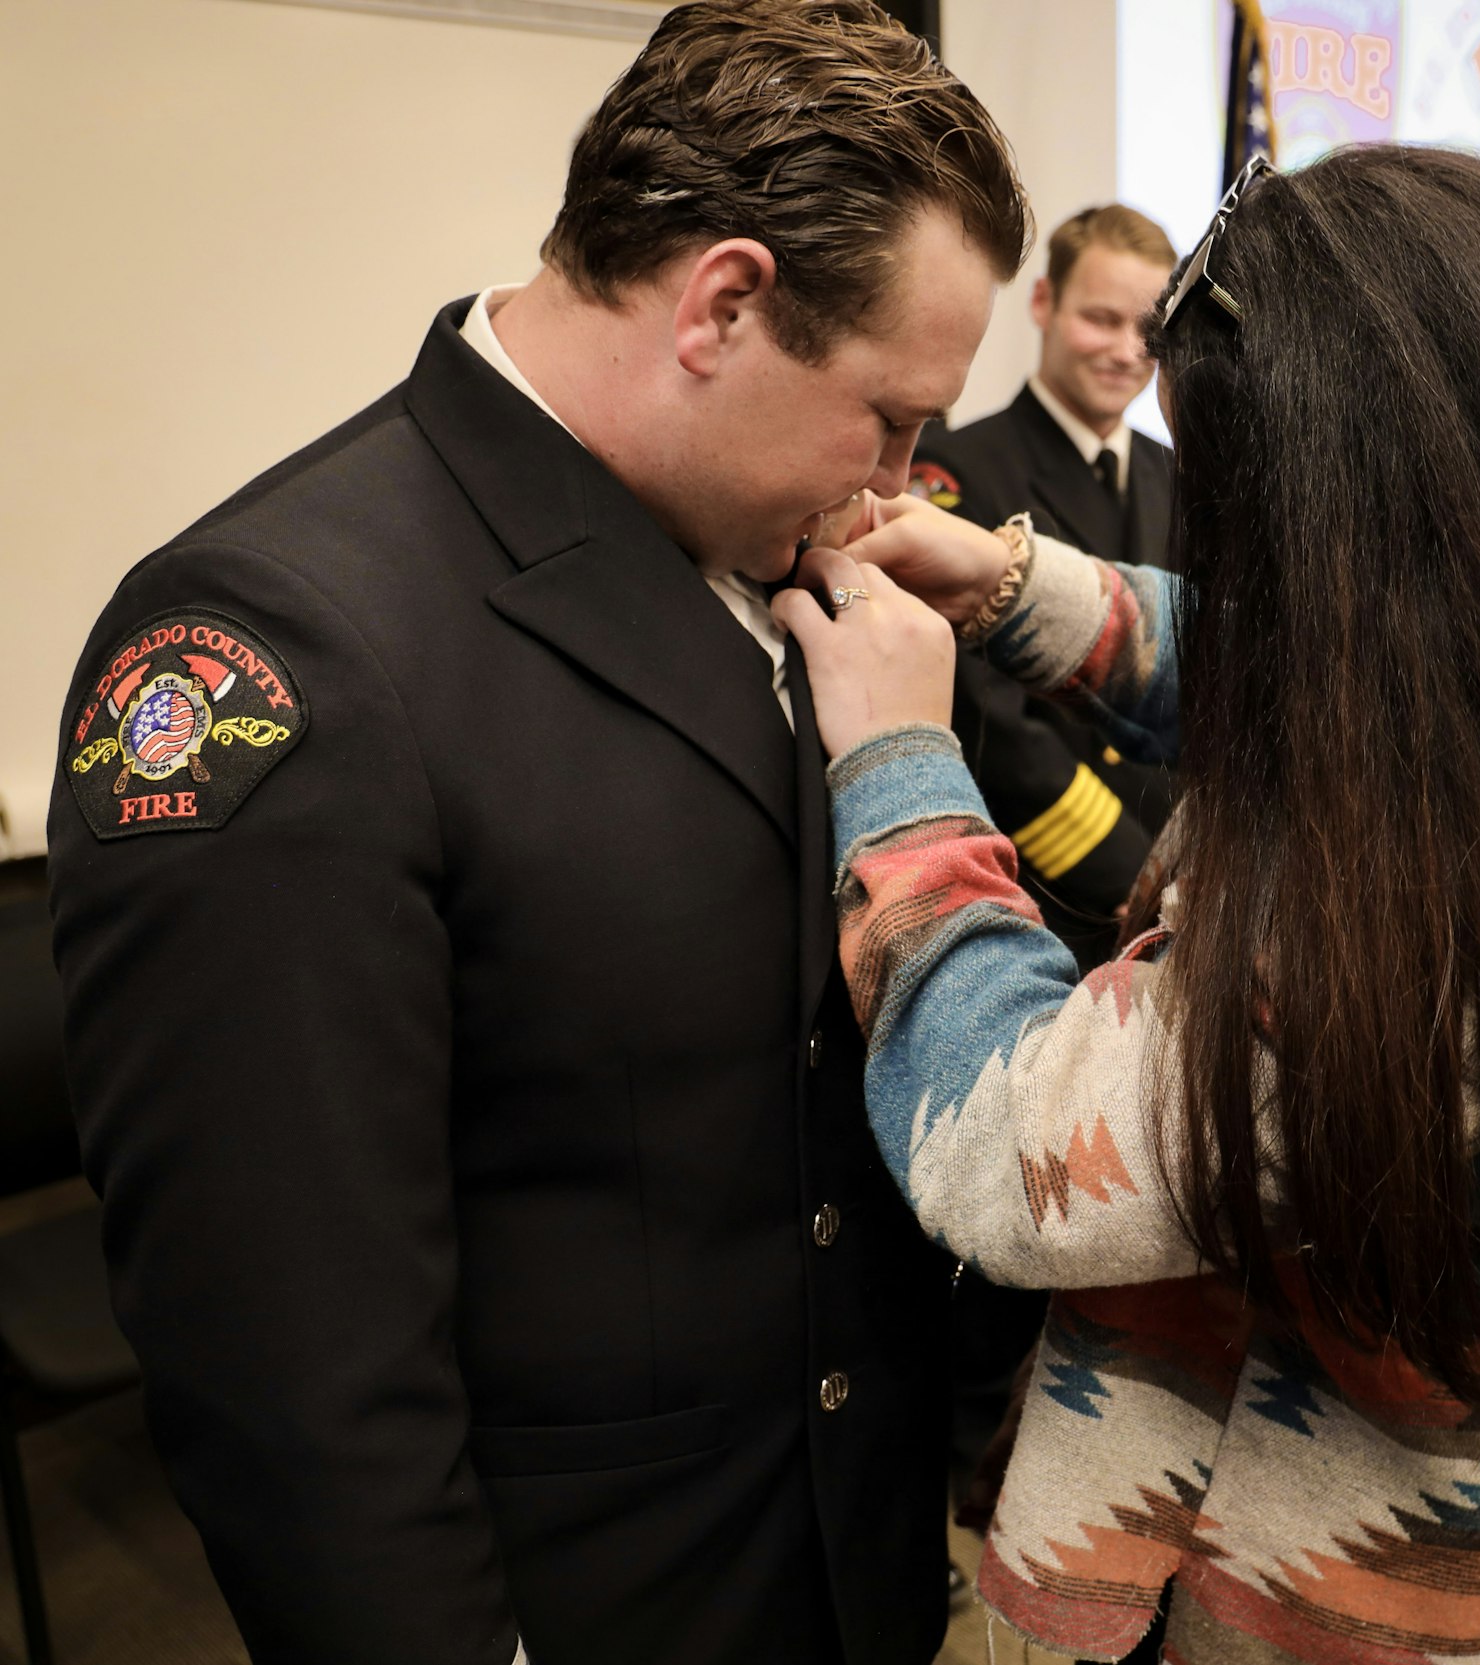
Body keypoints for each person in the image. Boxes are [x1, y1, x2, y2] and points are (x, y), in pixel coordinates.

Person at [773, 144, 1480, 1664]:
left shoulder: (1416, 928)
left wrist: (900, 759)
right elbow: (1327, 660)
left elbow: (1005, 1147)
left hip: (1282, 1606)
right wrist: (1011, 581)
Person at [45, 6, 1027, 1664]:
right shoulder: (283, 649)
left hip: (834, 1562)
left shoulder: (779, 555)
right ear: (723, 303)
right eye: (890, 419)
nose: (908, 481)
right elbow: (293, 1382)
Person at [914, 204, 1178, 970]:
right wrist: (1132, 873)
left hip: (1177, 901)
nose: (1127, 351)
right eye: (1101, 318)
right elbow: (990, 717)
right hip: (1050, 902)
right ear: (1043, 304)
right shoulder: (959, 469)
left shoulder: (1183, 478)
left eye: (1148, 330)